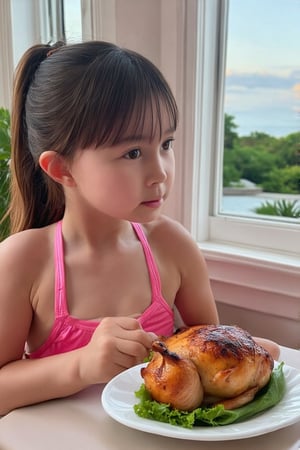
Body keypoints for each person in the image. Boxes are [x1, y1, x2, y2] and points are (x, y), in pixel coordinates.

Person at [0, 41, 279, 416]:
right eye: (132, 152)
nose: (160, 171)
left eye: (166, 143)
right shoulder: (23, 260)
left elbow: (212, 363)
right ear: (62, 169)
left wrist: (252, 355)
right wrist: (81, 365)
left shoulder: (173, 245)